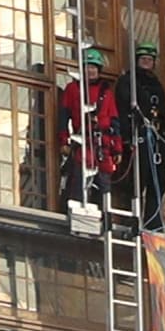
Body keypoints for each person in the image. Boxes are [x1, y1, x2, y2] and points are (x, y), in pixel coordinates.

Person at [49, 44, 122, 212]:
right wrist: (64, 140)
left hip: (103, 147)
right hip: (83, 142)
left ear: (98, 70)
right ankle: (76, 211)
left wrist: (117, 149)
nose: (90, 71)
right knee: (78, 179)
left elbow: (114, 122)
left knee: (103, 184)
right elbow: (63, 116)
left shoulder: (106, 93)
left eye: (93, 68)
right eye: (87, 67)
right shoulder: (73, 89)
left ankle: (104, 216)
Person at [117, 43, 165, 230]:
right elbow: (123, 110)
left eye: (149, 60)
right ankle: (130, 219)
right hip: (138, 136)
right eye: (143, 59)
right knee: (136, 179)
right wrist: (126, 139)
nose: (146, 62)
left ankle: (153, 222)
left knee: (158, 180)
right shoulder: (128, 82)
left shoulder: (157, 86)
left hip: (156, 139)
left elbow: (163, 117)